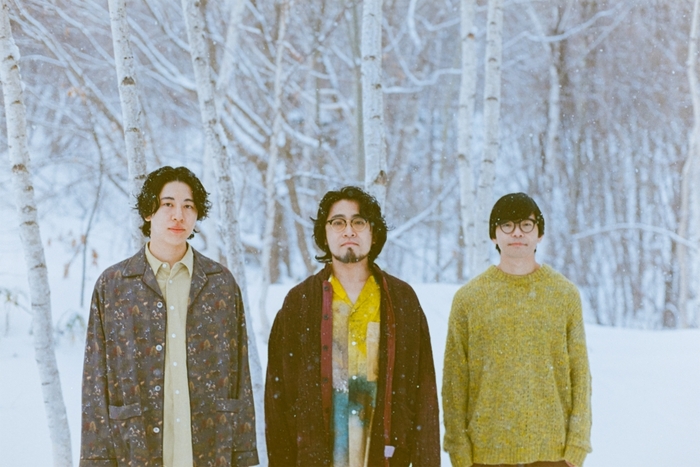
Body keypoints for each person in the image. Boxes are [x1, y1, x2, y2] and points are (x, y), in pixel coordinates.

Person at [80, 166, 258, 467]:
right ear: (148, 212)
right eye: (168, 204)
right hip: (135, 448)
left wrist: (243, 454)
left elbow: (240, 374)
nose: (179, 215)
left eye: (188, 206)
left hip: (210, 446)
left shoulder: (220, 283)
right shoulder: (114, 285)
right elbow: (95, 379)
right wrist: (96, 458)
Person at [265, 186, 440, 466]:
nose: (349, 231)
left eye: (359, 222)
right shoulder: (300, 303)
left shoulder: (401, 300)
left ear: (374, 233)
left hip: (387, 458)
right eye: (338, 222)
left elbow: (425, 396)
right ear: (324, 234)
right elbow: (278, 401)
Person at [442, 192, 592, 467]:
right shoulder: (469, 299)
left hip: (553, 454)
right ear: (493, 235)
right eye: (507, 225)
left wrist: (577, 446)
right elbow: (455, 381)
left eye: (526, 225)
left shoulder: (564, 295)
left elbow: (580, 375)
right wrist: (458, 451)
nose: (517, 233)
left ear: (539, 234)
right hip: (484, 454)